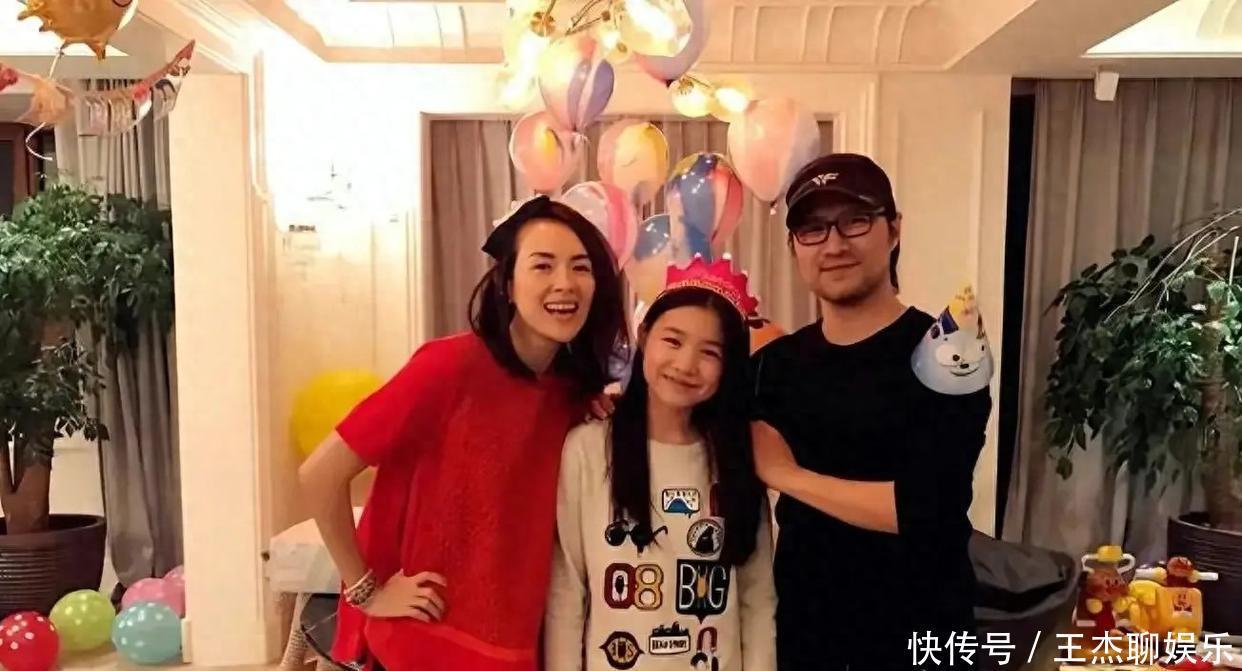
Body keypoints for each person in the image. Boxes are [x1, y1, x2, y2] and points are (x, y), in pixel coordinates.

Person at [298, 195, 628, 671]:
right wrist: (367, 591)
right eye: (543, 265)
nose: (565, 283)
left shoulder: (571, 395)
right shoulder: (447, 367)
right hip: (423, 643)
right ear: (508, 285)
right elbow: (319, 475)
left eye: (581, 267)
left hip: (515, 648)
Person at [749, 153, 992, 671]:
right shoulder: (774, 366)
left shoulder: (948, 349)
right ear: (794, 247)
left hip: (923, 636)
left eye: (855, 220)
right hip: (805, 636)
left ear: (894, 230)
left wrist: (786, 475)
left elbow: (927, 508)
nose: (834, 244)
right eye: (813, 229)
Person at [544, 256, 777, 671]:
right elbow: (567, 590)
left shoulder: (737, 455)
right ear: (645, 335)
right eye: (673, 341)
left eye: (710, 352)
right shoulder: (588, 448)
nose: (686, 365)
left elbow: (756, 599)